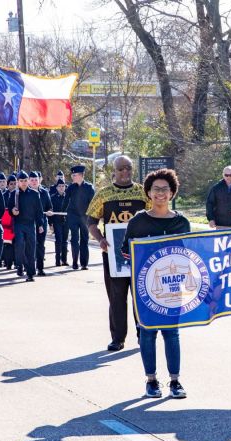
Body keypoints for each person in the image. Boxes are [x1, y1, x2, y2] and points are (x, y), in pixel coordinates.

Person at [121, 169, 190, 398]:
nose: (160, 193)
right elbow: (126, 251)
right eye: (156, 189)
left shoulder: (181, 222)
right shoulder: (138, 221)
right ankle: (151, 381)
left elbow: (189, 254)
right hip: (145, 289)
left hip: (173, 288)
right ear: (148, 193)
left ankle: (175, 381)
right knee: (148, 333)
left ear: (172, 192)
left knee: (172, 333)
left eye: (165, 189)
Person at [87, 155, 150, 351]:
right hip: (113, 255)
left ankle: (143, 334)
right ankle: (117, 338)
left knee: (141, 296)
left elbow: (153, 216)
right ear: (114, 171)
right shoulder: (104, 194)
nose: (125, 172)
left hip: (140, 254)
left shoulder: (142, 192)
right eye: (121, 169)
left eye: (128, 168)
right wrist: (100, 239)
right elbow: (91, 221)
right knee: (116, 297)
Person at [11, 171, 44, 282]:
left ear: (28, 181)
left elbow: (39, 211)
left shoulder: (34, 194)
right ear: (18, 182)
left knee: (31, 248)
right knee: (20, 245)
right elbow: (10, 207)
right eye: (21, 181)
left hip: (30, 224)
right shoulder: (14, 194)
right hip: (19, 224)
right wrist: (13, 211)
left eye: (25, 180)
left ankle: (30, 274)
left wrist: (40, 224)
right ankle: (20, 265)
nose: (24, 183)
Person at [63, 165, 95, 270]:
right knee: (74, 239)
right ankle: (75, 262)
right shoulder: (71, 187)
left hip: (85, 217)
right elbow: (65, 201)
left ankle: (84, 264)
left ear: (81, 175)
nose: (72, 177)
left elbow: (92, 204)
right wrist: (62, 214)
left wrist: (92, 217)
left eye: (74, 175)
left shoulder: (89, 187)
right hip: (73, 216)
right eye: (72, 175)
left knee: (84, 240)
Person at [29, 171, 54, 276]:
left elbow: (49, 206)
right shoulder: (25, 192)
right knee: (30, 245)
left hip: (42, 221)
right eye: (32, 180)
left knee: (40, 245)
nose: (34, 182)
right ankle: (28, 266)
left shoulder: (44, 192)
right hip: (29, 222)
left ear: (39, 181)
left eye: (36, 180)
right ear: (29, 181)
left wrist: (49, 212)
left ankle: (40, 268)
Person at [49, 178, 68, 266]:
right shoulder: (52, 198)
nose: (61, 188)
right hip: (57, 222)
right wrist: (50, 223)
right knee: (58, 240)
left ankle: (64, 260)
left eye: (63, 186)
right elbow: (50, 211)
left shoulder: (68, 197)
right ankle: (57, 260)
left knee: (65, 241)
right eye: (59, 186)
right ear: (56, 188)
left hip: (66, 222)